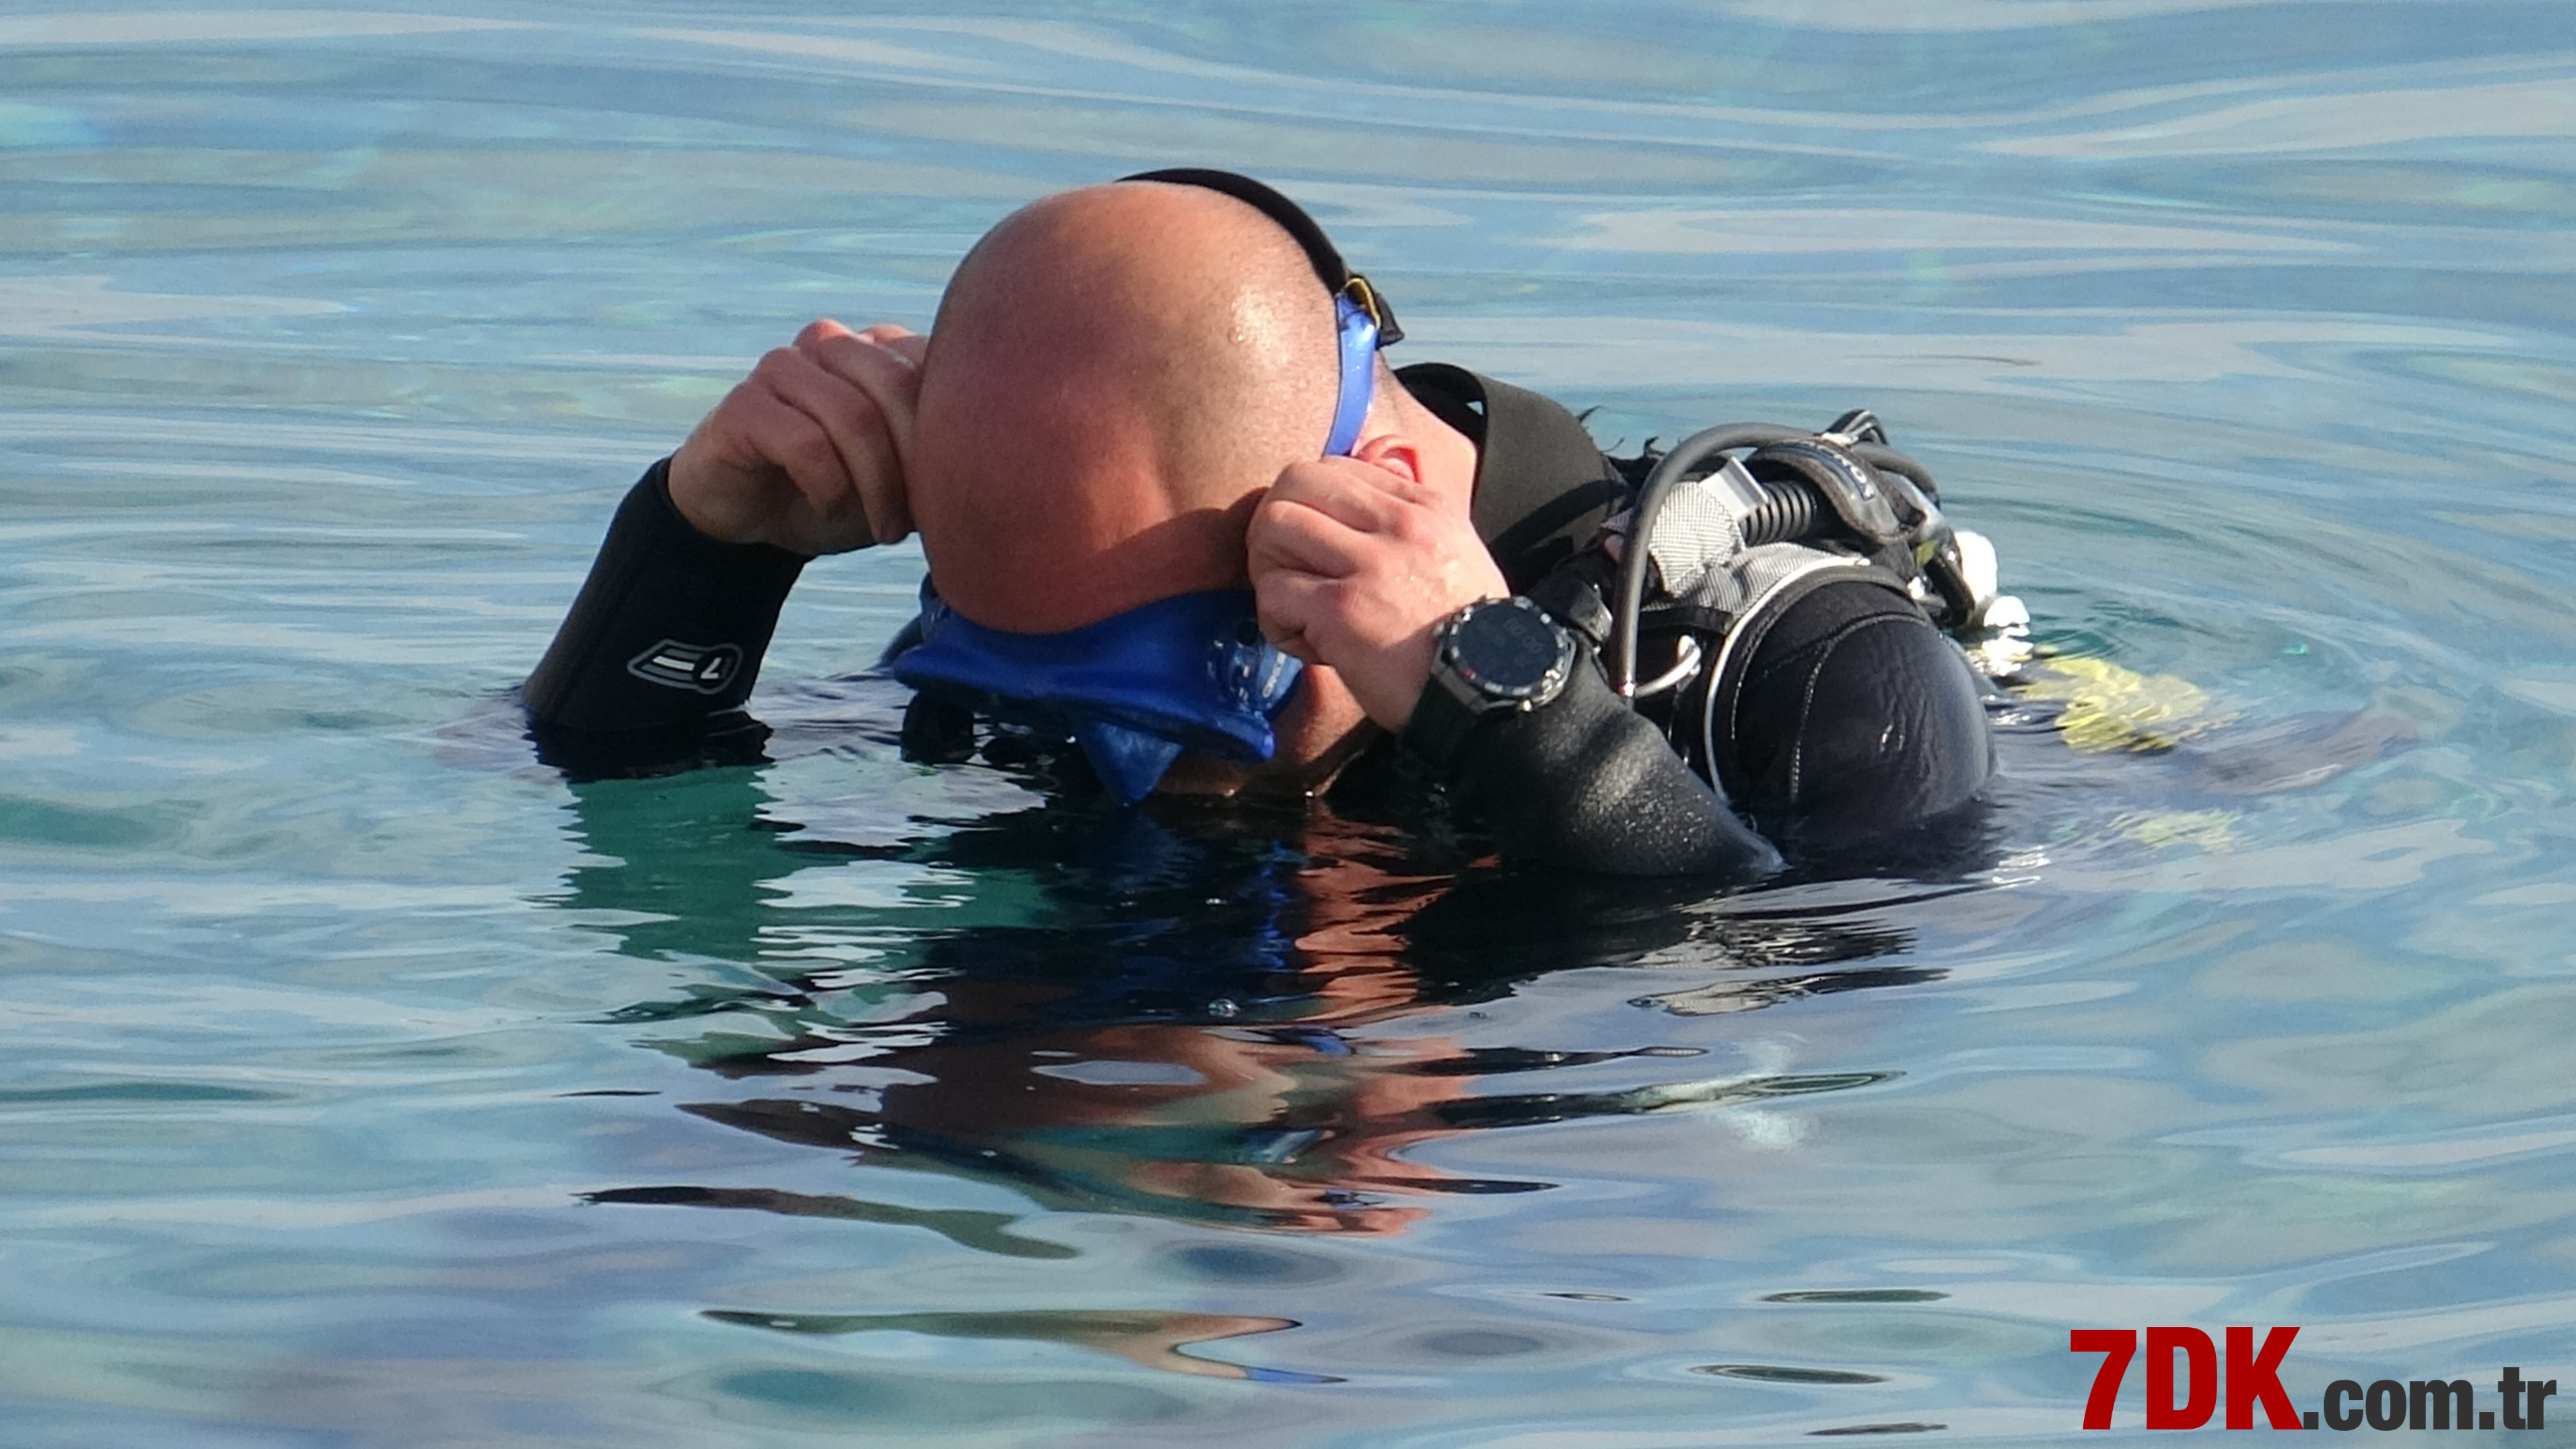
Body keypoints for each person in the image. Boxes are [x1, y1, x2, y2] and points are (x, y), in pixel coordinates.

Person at [524, 169, 1997, 877]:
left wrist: (1516, 709)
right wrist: (704, 549)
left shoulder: (1809, 681)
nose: (1131, 774)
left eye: (1186, 697)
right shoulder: (1087, 618)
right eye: (1051, 694)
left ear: (1381, 506)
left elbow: (1809, 1054)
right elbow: (607, 801)